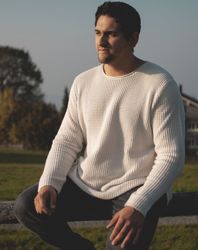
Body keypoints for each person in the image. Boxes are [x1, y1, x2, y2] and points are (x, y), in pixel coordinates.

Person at [14, 1, 185, 250]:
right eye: (97, 32)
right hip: (87, 183)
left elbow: (171, 157)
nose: (101, 41)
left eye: (111, 34)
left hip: (136, 186)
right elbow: (66, 140)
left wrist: (139, 204)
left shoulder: (159, 84)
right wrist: (49, 181)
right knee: (25, 206)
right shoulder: (83, 82)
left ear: (133, 38)